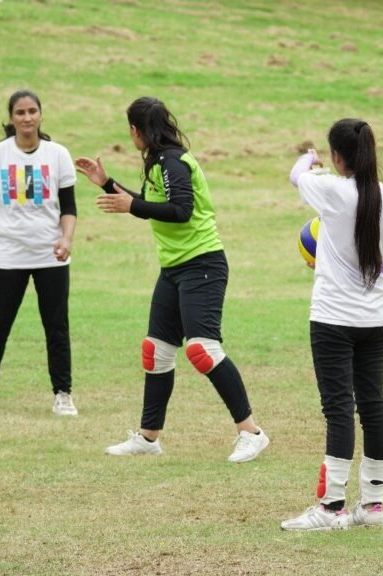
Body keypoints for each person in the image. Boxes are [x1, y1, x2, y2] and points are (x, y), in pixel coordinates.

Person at [75, 96, 269, 463]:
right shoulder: (160, 161)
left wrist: (132, 206)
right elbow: (153, 205)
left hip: (202, 265)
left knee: (202, 350)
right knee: (156, 351)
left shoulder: (172, 161)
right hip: (174, 269)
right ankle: (148, 438)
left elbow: (181, 211)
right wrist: (107, 183)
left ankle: (252, 433)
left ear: (135, 130)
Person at [280, 119, 383, 531]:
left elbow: (296, 175)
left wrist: (309, 158)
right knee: (373, 407)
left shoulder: (332, 189)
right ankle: (372, 507)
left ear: (337, 156)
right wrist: (370, 269)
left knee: (338, 408)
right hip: (374, 320)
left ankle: (332, 507)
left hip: (332, 319)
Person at [0, 90, 78, 416]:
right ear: (11, 118)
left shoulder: (58, 155)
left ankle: (63, 394)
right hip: (8, 254)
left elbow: (69, 208)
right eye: (20, 112)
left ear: (41, 115)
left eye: (32, 111)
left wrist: (66, 239)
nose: (27, 118)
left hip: (50, 255)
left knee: (56, 327)